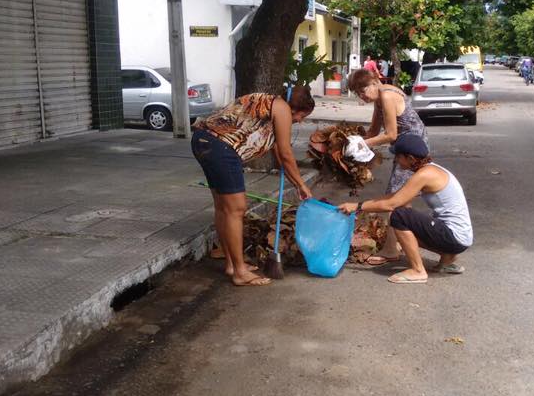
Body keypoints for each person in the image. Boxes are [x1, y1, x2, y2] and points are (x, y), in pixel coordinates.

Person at [191, 88, 315, 287]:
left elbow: (279, 155)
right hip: (222, 148)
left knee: (224, 208)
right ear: (296, 107)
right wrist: (302, 185)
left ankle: (232, 264)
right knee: (236, 209)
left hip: (203, 141)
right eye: (302, 115)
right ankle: (239, 272)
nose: (300, 120)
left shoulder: (269, 105)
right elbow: (286, 154)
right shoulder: (282, 108)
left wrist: (296, 183)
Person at [339, 134, 472, 284]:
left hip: (454, 236)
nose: (395, 160)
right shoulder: (432, 169)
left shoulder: (424, 175)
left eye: (398, 157)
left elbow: (391, 204)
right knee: (405, 216)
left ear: (410, 159)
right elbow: (395, 196)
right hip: (460, 237)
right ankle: (447, 259)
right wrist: (359, 203)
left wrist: (358, 207)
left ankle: (418, 270)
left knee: (399, 216)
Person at [348, 68, 428, 266]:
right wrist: (349, 143)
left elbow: (391, 134)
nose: (362, 96)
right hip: (404, 149)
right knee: (403, 200)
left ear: (375, 82)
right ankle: (402, 240)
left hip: (412, 152)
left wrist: (363, 144)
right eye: (357, 93)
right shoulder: (379, 98)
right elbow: (374, 131)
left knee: (394, 199)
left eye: (362, 90)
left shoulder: (387, 95)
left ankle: (391, 250)